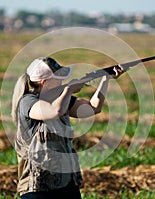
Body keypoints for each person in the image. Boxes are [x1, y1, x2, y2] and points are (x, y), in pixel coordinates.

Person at [11, 57, 124, 199]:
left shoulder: (60, 98)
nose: (62, 81)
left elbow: (93, 107)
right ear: (45, 83)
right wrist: (69, 89)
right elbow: (55, 111)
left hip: (66, 183)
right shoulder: (27, 102)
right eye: (58, 78)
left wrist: (106, 79)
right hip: (37, 186)